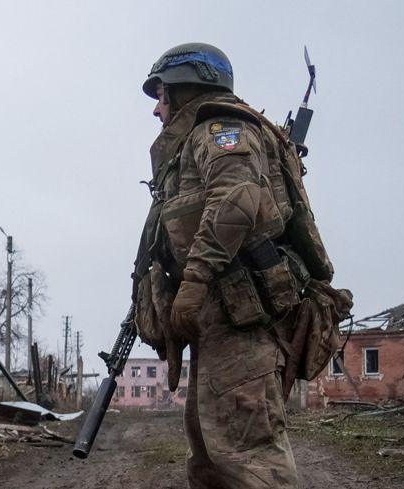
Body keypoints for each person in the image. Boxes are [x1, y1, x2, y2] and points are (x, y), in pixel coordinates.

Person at [131, 43, 332, 488]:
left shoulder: (221, 131)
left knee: (248, 458)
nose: (157, 110)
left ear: (187, 88)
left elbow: (237, 201)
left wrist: (194, 282)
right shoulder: (198, 141)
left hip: (241, 318)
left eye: (161, 95)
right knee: (210, 457)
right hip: (221, 321)